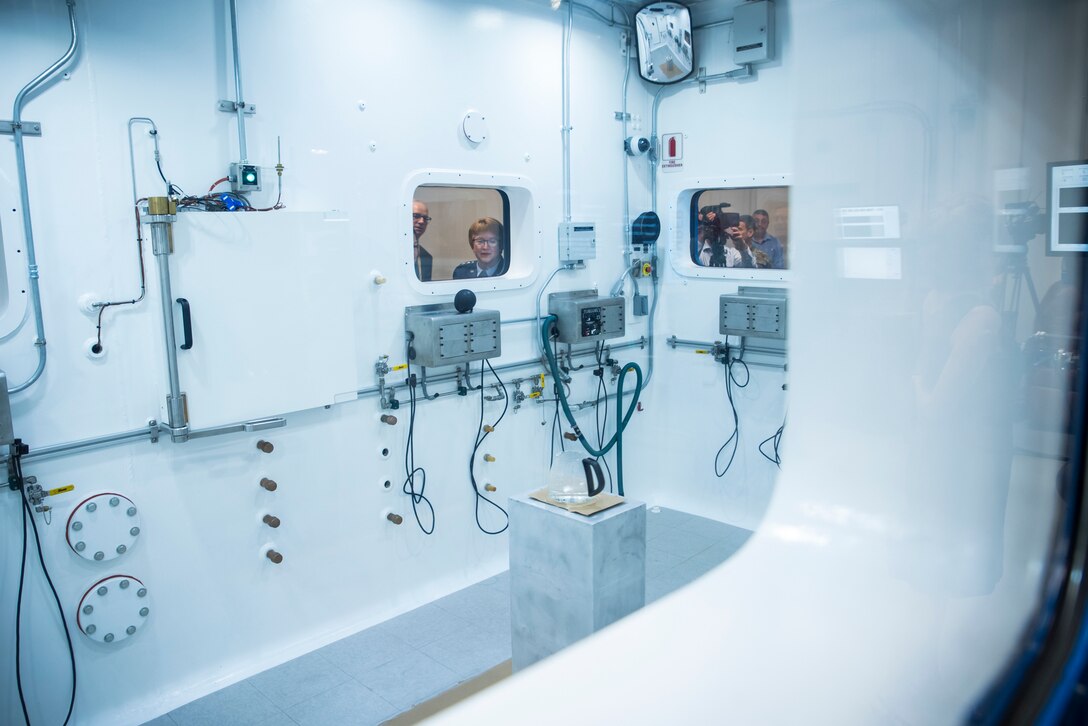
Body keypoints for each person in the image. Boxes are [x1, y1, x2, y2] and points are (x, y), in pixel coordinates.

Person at [412, 200, 434, 281]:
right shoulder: (392, 253)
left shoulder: (427, 257)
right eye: (416, 216)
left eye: (425, 218)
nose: (422, 221)